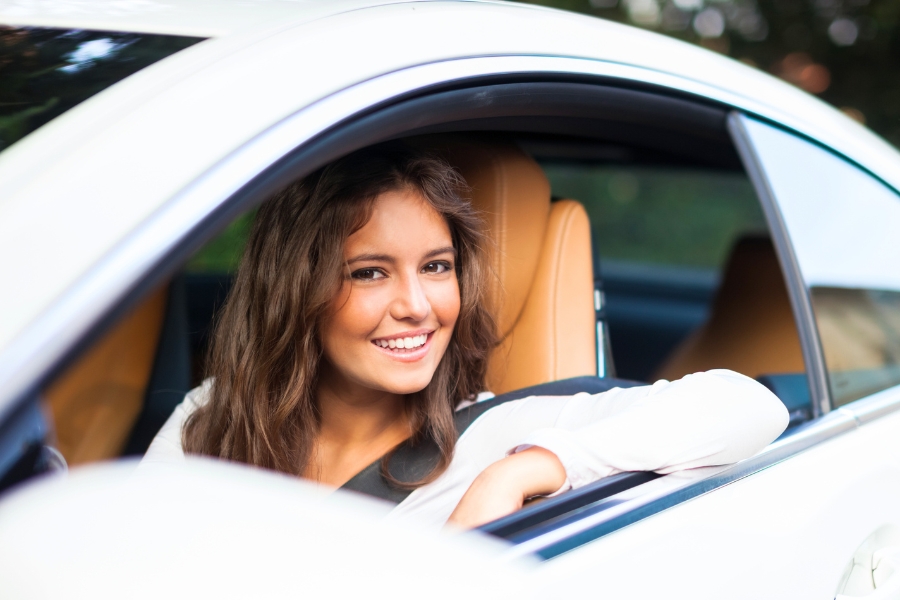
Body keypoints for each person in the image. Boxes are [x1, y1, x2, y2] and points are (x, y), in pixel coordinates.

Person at [142, 146, 789, 530]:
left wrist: (523, 472)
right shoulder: (213, 417)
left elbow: (751, 407)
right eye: (370, 273)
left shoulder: (497, 434)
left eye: (436, 267)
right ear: (295, 291)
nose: (418, 307)